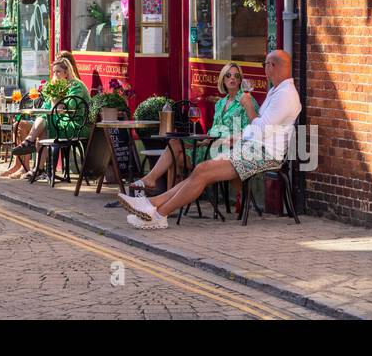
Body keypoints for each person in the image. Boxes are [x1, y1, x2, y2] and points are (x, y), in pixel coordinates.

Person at [119, 50, 301, 230]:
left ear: (273, 66)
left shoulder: (286, 95)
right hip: (251, 147)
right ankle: (152, 204)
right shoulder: (276, 91)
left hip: (263, 153)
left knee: (204, 170)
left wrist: (247, 107)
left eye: (265, 65)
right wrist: (238, 136)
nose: (264, 69)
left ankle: (158, 215)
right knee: (201, 169)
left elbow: (261, 128)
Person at [131, 62, 257, 193]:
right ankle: (160, 191)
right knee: (173, 145)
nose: (232, 78)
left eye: (236, 75)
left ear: (240, 79)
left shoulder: (246, 100)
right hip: (209, 144)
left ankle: (158, 190)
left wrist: (230, 139)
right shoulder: (220, 103)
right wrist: (204, 140)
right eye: (228, 75)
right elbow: (214, 129)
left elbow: (252, 128)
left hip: (225, 150)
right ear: (223, 79)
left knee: (174, 157)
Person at [1, 51, 89, 179]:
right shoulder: (57, 86)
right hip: (61, 122)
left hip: (75, 124)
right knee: (39, 123)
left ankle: (33, 154)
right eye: (54, 72)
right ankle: (36, 167)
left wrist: (56, 102)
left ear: (66, 72)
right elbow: (47, 107)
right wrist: (54, 102)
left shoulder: (76, 85)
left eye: (58, 71)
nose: (55, 74)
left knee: (45, 124)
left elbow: (69, 107)